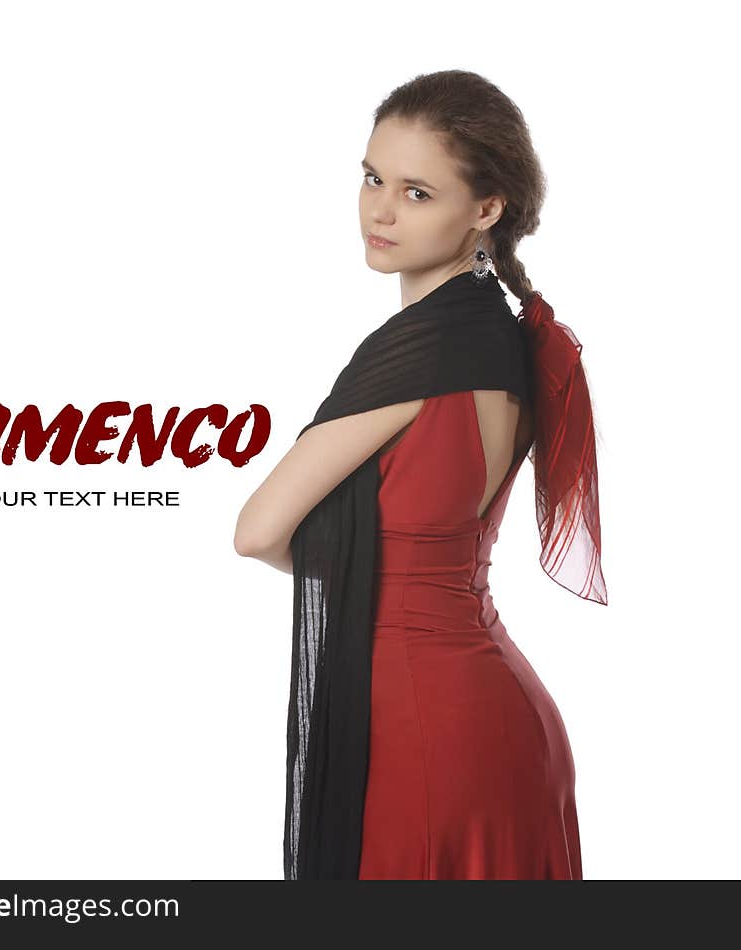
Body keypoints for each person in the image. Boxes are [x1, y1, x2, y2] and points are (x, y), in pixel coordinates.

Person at [234, 69, 607, 880]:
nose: (380, 210)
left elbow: (258, 530)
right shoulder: (503, 339)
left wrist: (364, 576)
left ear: (486, 209)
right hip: (499, 722)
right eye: (372, 178)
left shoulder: (423, 350)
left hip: (421, 728)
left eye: (416, 192)